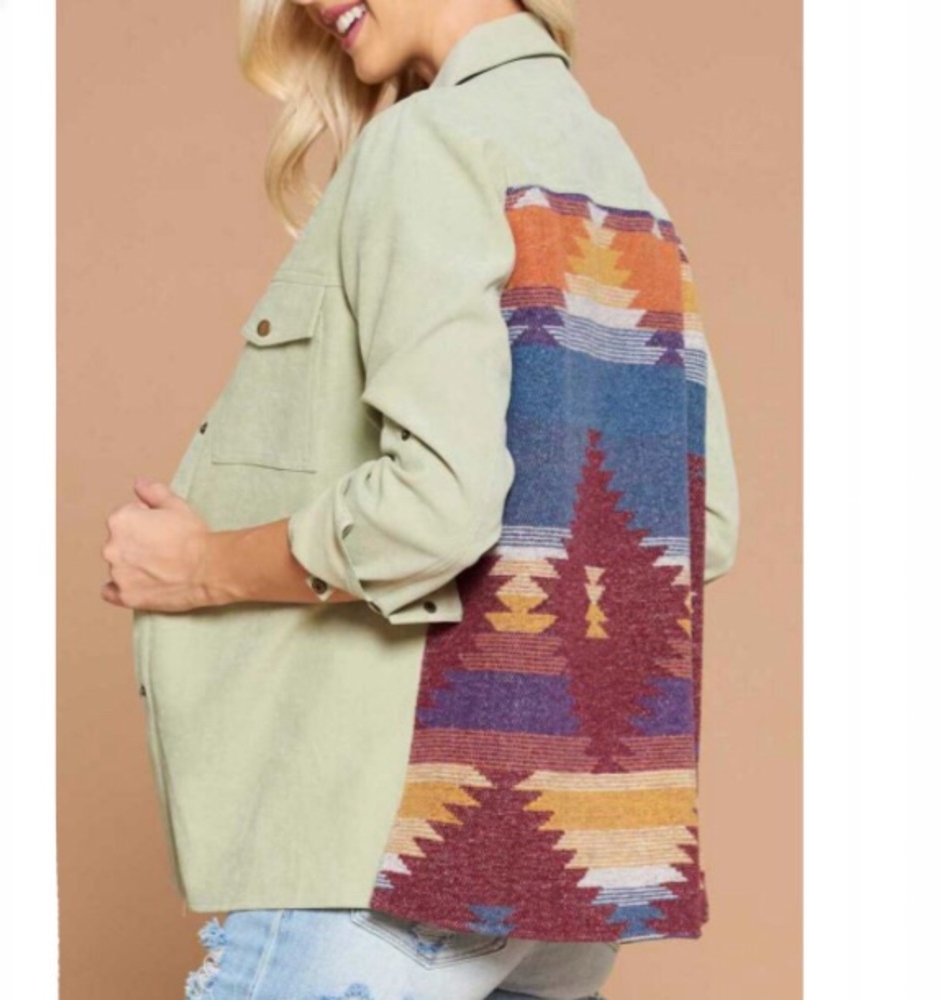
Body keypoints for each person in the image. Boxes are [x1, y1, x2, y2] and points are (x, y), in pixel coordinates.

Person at [101, 1, 740, 997]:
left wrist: (201, 568)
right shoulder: (615, 173)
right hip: (565, 866)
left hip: (392, 852)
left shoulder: (432, 140)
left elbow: (439, 505)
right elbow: (704, 525)